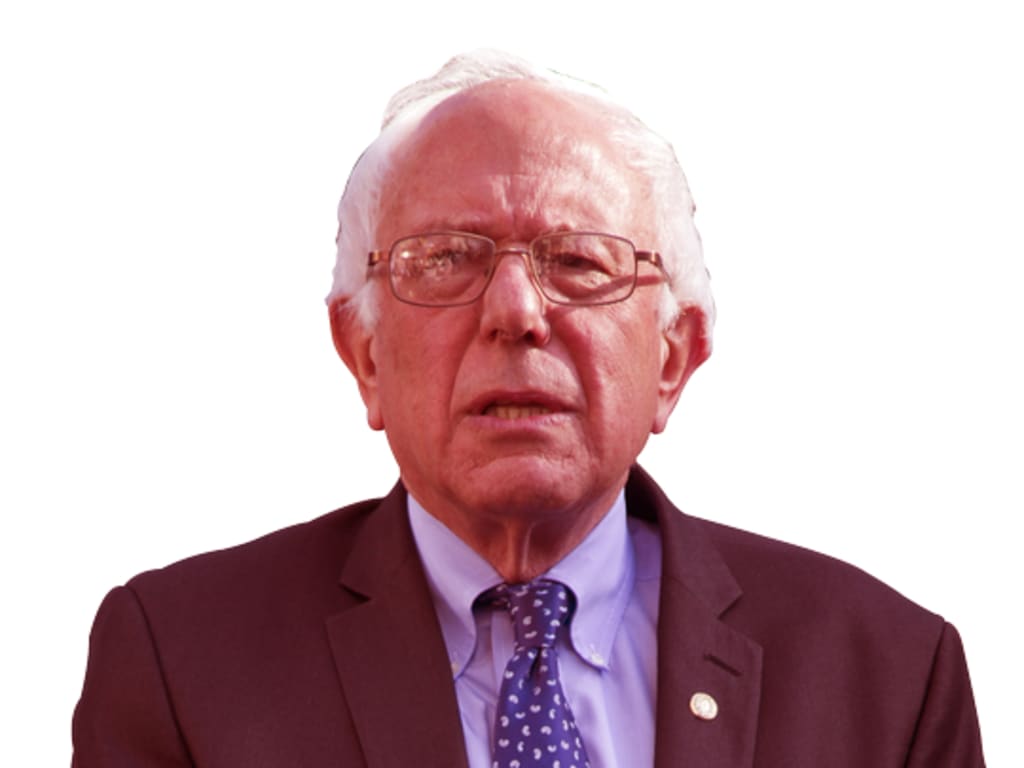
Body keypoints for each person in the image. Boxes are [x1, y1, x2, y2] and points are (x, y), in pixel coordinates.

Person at [72, 50, 985, 767]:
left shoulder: (888, 675)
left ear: (675, 357)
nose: (515, 312)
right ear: (364, 355)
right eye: (445, 259)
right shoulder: (181, 663)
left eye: (580, 262)